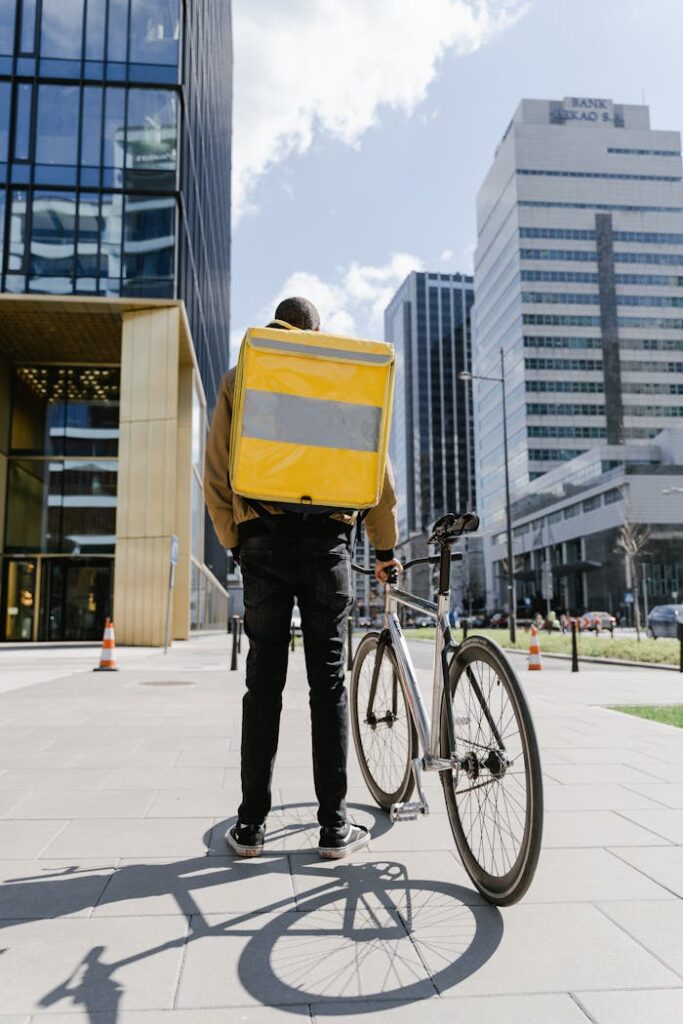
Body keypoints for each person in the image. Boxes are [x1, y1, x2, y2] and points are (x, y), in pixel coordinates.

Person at [204, 297, 401, 859]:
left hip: (261, 543)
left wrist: (235, 540)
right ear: (315, 330)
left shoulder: (243, 374)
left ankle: (249, 826)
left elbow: (216, 469)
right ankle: (334, 826)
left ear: (277, 324)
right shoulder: (343, 377)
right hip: (327, 549)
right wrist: (383, 549)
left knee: (262, 684)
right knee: (329, 686)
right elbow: (376, 475)